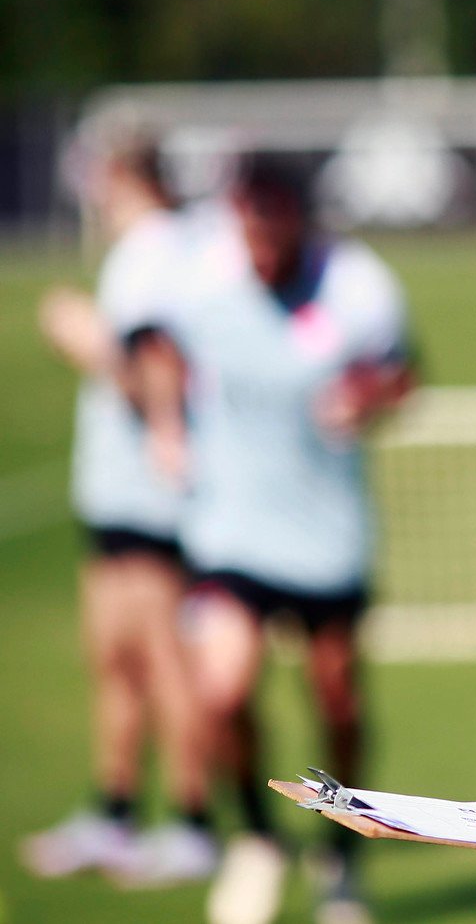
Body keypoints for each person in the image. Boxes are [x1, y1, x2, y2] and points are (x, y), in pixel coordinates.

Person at [152, 154, 414, 924]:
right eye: (246, 223)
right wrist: (168, 427)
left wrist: (364, 398)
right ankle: (258, 838)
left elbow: (402, 374)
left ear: (299, 216)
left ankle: (341, 853)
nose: (257, 242)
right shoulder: (203, 278)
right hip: (231, 526)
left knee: (335, 695)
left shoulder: (357, 285)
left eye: (270, 223)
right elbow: (156, 347)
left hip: (326, 531)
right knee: (222, 687)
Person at [21, 129, 217, 887]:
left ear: (117, 177)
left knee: (164, 659)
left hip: (150, 493)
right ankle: (115, 810)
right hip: (115, 490)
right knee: (114, 657)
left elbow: (154, 367)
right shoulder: (155, 247)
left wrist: (84, 340)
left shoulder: (153, 252)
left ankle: (193, 821)